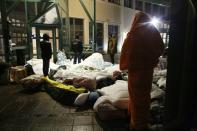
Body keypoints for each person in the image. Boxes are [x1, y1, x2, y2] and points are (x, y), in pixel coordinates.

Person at [119, 11, 164, 131]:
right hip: (147, 73)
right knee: (144, 98)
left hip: (135, 74)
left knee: (135, 98)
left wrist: (126, 65)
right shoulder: (153, 32)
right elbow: (161, 47)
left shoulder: (133, 35)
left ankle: (136, 124)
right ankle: (141, 122)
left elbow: (125, 53)